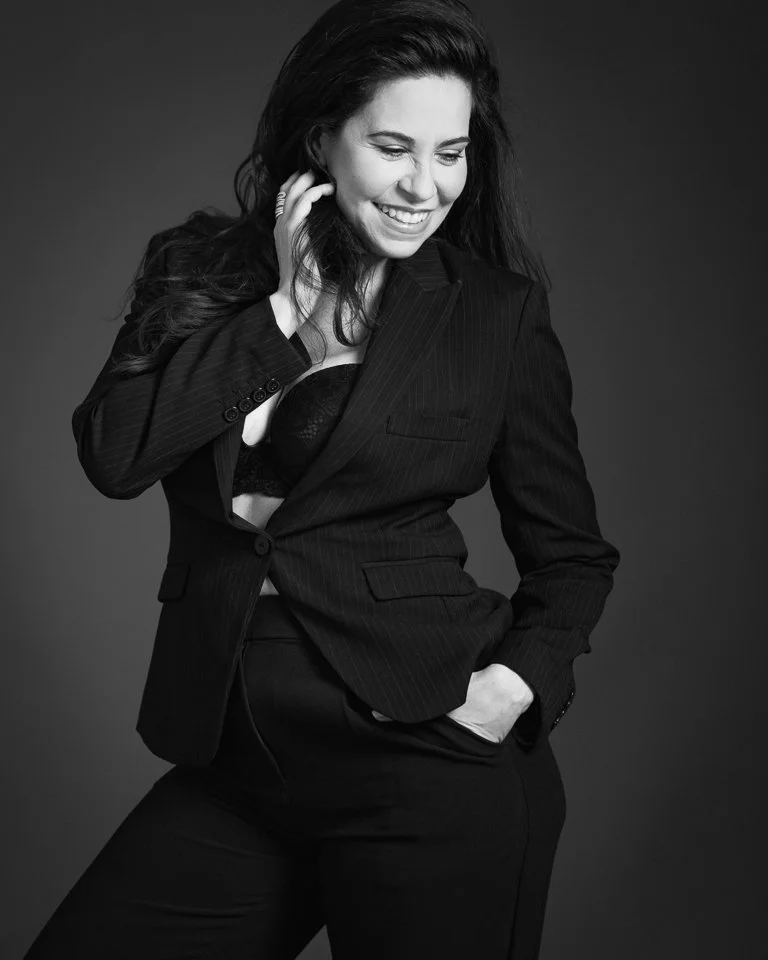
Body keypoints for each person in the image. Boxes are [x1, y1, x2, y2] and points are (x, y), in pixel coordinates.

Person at [24, 1, 620, 958]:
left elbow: (575, 557)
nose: (427, 186)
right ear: (323, 141)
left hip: (426, 761)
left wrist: (514, 686)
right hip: (236, 758)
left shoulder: (494, 315)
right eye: (394, 147)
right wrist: (280, 321)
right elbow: (116, 456)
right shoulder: (201, 271)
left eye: (452, 153)